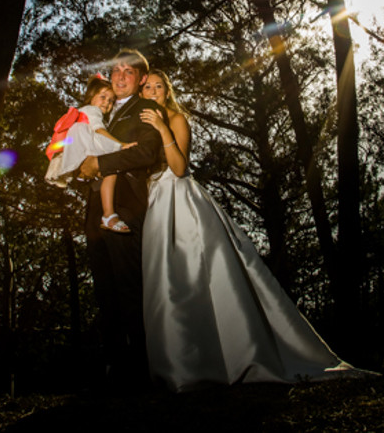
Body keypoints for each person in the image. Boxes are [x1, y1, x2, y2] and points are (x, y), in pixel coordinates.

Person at [137, 70, 353, 392]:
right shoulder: (138, 121)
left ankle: (228, 360)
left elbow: (180, 168)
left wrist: (161, 127)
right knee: (166, 283)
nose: (153, 90)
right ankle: (179, 363)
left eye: (159, 86)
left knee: (195, 276)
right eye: (148, 86)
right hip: (154, 201)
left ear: (166, 92)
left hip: (178, 199)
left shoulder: (175, 118)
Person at [76, 50, 167, 384]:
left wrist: (101, 164)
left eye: (129, 71)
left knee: (129, 284)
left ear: (142, 79)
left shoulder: (146, 108)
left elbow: (147, 152)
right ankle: (113, 365)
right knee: (104, 288)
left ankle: (140, 367)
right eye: (115, 70)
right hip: (95, 207)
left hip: (126, 204)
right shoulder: (102, 110)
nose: (120, 75)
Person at [45, 75, 133, 233]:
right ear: (91, 96)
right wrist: (122, 145)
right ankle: (108, 214)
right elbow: (99, 130)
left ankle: (108, 214)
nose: (107, 102)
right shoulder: (92, 111)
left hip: (80, 145)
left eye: (111, 101)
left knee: (109, 172)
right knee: (111, 167)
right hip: (85, 142)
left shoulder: (84, 111)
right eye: (103, 97)